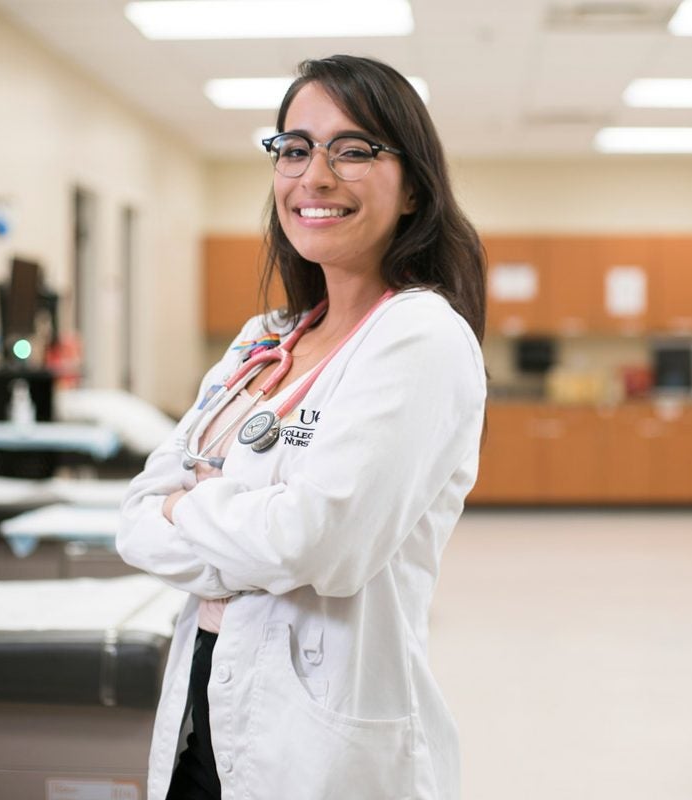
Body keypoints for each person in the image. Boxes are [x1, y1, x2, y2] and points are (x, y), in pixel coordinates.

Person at [117, 55, 486, 800]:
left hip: (320, 737)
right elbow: (132, 521)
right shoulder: (264, 338)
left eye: (353, 150)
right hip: (205, 705)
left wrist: (185, 509)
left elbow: (322, 542)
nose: (315, 176)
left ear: (412, 186)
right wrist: (250, 531)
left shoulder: (418, 337)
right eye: (293, 148)